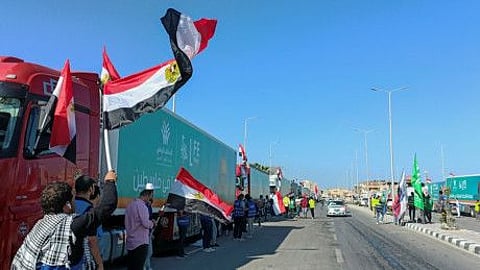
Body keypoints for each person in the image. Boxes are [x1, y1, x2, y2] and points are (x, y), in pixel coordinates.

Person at [11, 171, 118, 270]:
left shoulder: (41, 224)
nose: (74, 203)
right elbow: (107, 206)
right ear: (67, 205)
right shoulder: (72, 225)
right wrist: (110, 181)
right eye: (73, 199)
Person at [73, 175, 104, 270]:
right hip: (83, 260)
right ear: (91, 189)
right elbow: (92, 240)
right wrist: (99, 263)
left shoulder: (69, 205)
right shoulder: (90, 210)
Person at [125, 187, 156, 270]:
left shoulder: (130, 205)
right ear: (147, 195)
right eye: (151, 196)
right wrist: (152, 223)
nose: (151, 198)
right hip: (140, 243)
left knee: (131, 267)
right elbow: (146, 223)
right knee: (139, 266)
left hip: (130, 242)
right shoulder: (142, 206)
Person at [143, 183, 155, 270]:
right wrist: (152, 223)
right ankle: (145, 267)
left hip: (148, 232)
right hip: (144, 233)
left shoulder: (149, 205)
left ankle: (147, 266)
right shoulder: (143, 205)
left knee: (149, 252)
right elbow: (145, 220)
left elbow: (149, 217)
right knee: (146, 252)